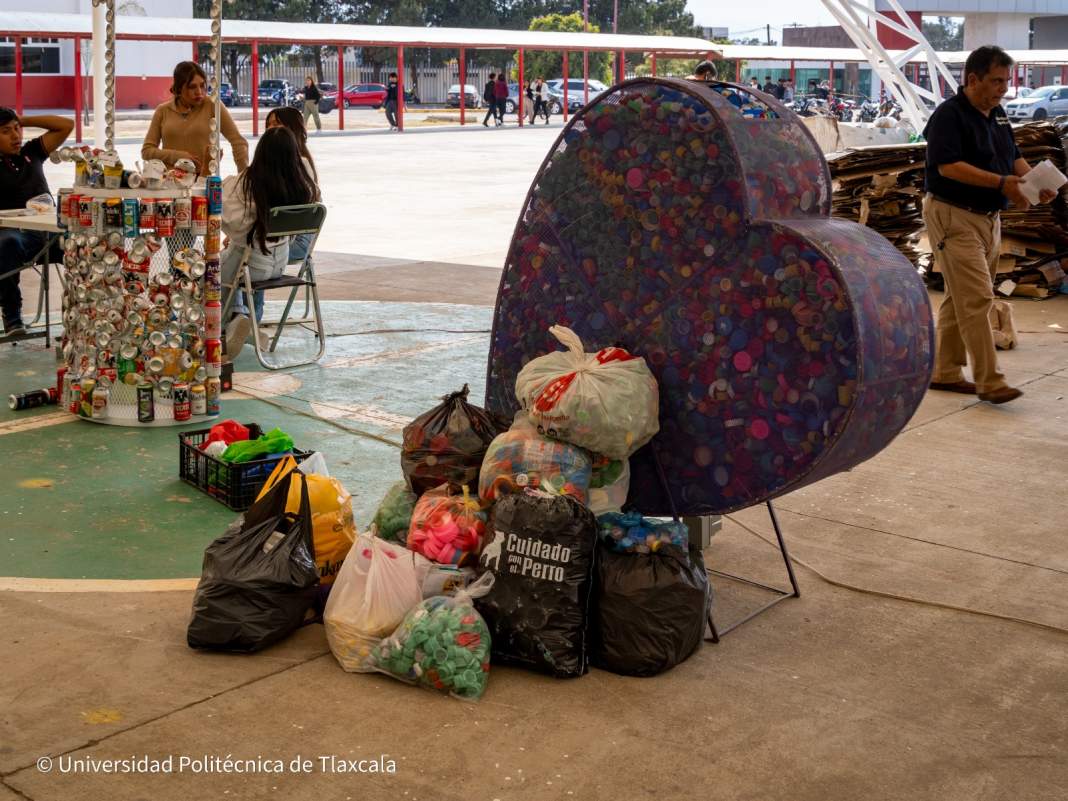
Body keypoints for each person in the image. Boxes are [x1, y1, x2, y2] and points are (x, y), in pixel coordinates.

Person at [923, 45, 1056, 405]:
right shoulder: (949, 116)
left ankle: (946, 372)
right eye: (997, 81)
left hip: (988, 218)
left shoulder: (997, 115)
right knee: (979, 298)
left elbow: (1013, 157)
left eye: (1006, 81)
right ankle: (990, 379)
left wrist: (1035, 182)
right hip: (953, 214)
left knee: (960, 297)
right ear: (972, 79)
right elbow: (947, 166)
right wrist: (1002, 185)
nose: (1003, 89)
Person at [220, 126, 317, 356]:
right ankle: (242, 321)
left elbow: (228, 219)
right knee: (233, 264)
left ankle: (235, 321)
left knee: (212, 271)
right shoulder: (300, 186)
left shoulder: (248, 183)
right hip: (279, 264)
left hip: (250, 266)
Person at [0, 108, 72, 336]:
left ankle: (81, 311)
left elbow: (65, 125)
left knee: (82, 242)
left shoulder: (32, 152)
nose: (15, 136)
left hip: (48, 231)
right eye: (5, 131)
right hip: (14, 233)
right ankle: (12, 316)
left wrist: (23, 119)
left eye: (17, 129)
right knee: (7, 243)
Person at [142, 61, 248, 174]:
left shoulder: (213, 105)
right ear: (178, 88)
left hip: (204, 184)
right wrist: (177, 156)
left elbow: (239, 142)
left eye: (202, 86)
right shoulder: (162, 111)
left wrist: (243, 179)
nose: (199, 92)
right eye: (192, 87)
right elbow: (147, 151)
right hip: (170, 185)